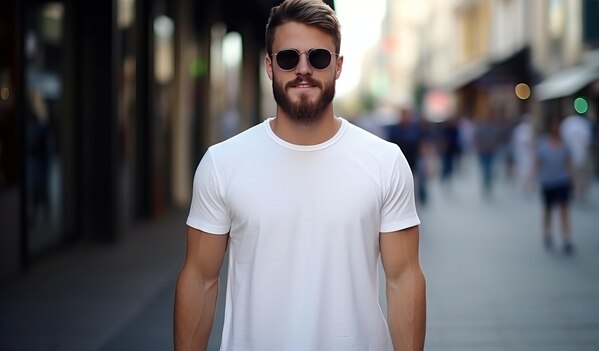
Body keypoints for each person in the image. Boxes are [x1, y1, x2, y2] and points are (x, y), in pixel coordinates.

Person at [174, 1, 426, 350]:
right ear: (269, 65)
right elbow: (199, 279)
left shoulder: (385, 161)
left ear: (338, 66)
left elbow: (403, 279)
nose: (303, 69)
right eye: (288, 58)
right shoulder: (223, 163)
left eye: (319, 57)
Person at [535, 116, 574, 255]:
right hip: (547, 182)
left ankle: (566, 238)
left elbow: (569, 164)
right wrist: (535, 180)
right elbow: (538, 163)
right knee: (548, 210)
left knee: (564, 210)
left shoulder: (565, 145)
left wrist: (572, 181)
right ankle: (547, 233)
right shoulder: (543, 145)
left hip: (562, 181)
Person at [560, 111, 592, 201]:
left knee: (571, 174)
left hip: (570, 155)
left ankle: (574, 191)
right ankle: (578, 191)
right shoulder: (584, 124)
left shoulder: (567, 123)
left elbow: (562, 139)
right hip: (581, 155)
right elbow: (587, 142)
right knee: (579, 174)